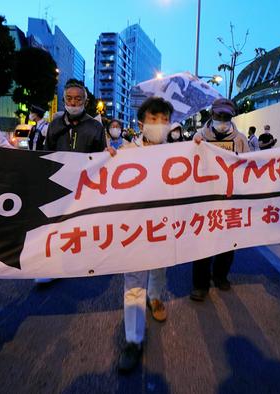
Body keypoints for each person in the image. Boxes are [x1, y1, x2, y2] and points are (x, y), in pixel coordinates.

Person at [115, 97, 172, 373]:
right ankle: (133, 340)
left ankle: (156, 297)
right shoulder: (125, 152)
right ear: (141, 123)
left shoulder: (178, 154)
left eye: (165, 119)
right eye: (154, 118)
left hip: (163, 226)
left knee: (159, 268)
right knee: (134, 279)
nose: (160, 124)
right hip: (134, 227)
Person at [35, 80, 107, 284]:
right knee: (55, 225)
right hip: (57, 183)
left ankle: (82, 260)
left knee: (80, 224)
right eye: (69, 99)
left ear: (85, 100)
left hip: (85, 185)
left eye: (78, 99)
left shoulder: (96, 127)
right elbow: (46, 153)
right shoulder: (55, 125)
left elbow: (102, 158)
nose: (73, 103)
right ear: (64, 99)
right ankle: (52, 267)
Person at [190, 98, 250, 302]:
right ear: (211, 115)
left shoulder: (241, 140)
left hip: (230, 199)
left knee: (227, 243)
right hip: (204, 200)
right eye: (219, 116)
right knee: (202, 243)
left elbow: (248, 168)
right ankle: (200, 284)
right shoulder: (198, 137)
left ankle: (220, 275)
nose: (222, 120)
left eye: (226, 117)